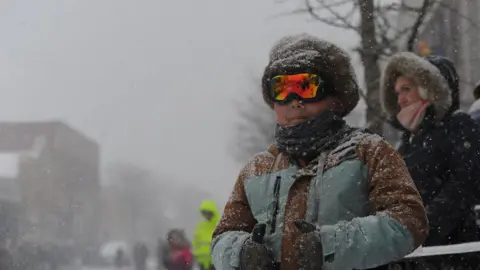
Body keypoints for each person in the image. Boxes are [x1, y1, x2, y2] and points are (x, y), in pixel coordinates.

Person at [211, 33, 428, 270]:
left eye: (306, 87)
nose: (294, 101)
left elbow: (408, 221)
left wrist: (329, 246)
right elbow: (223, 237)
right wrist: (241, 252)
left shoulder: (369, 152)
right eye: (282, 89)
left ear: (335, 97)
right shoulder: (256, 169)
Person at [380, 52, 480, 268]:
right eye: (397, 92)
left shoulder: (459, 127)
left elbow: (462, 188)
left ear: (430, 89)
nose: (400, 99)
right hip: (417, 255)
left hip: (451, 255)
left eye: (406, 90)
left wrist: (420, 229)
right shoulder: (410, 138)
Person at [193, 200, 219, 270]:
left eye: (208, 213)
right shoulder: (200, 226)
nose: (206, 215)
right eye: (204, 213)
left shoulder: (219, 225)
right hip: (202, 263)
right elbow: (195, 243)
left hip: (215, 263)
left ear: (213, 212)